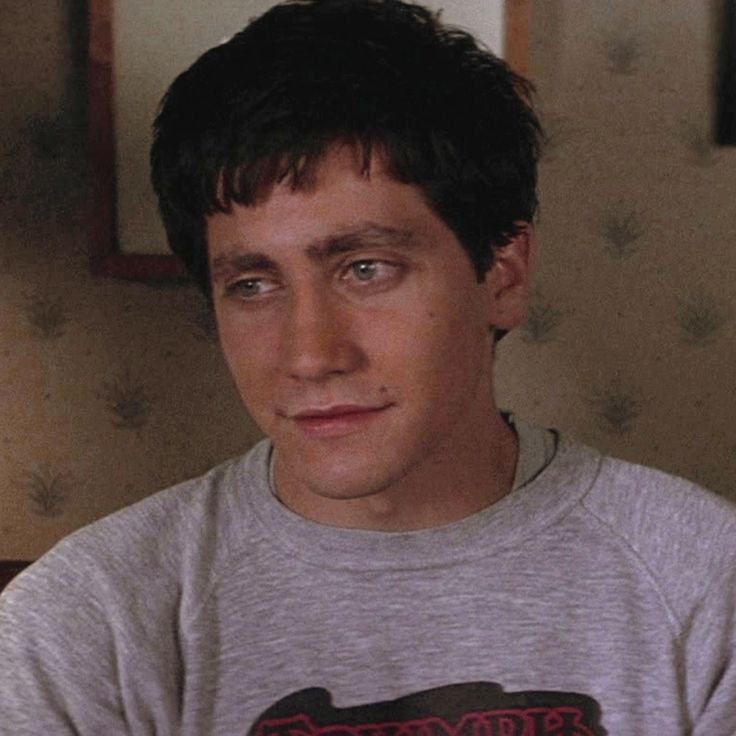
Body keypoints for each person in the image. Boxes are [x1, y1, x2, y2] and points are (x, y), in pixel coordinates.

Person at [1, 1, 735, 733]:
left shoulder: (705, 584)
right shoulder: (83, 623)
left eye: (366, 269)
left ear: (503, 275)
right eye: (252, 285)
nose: (310, 355)